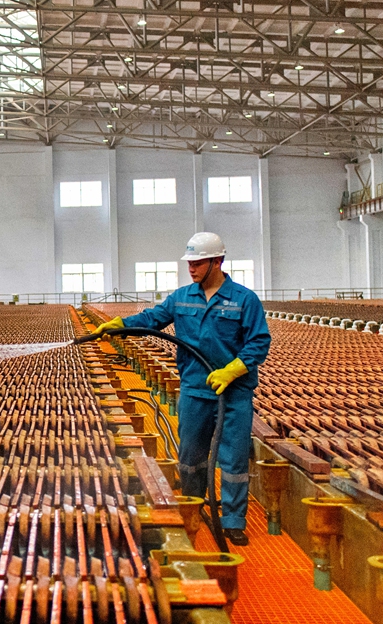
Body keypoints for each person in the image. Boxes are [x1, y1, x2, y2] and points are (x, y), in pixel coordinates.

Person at [92, 232, 271, 546]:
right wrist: (122, 325)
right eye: (190, 262)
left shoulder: (244, 300)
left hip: (234, 392)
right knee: (190, 454)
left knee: (233, 459)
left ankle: (232, 520)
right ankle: (193, 504)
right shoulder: (182, 297)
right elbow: (154, 318)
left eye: (198, 262)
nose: (192, 268)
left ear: (218, 261)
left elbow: (259, 342)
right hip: (194, 389)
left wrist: (232, 370)